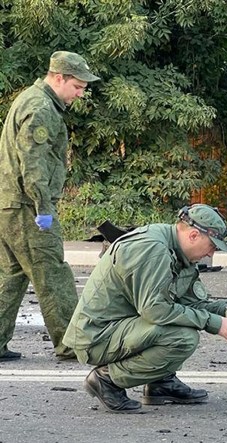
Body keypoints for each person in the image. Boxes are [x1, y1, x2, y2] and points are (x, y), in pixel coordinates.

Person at [63, 204, 227, 413]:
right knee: (182, 337)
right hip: (96, 337)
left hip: (122, 327)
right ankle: (106, 380)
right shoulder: (153, 249)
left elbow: (189, 302)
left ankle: (161, 383)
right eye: (212, 246)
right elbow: (156, 310)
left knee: (181, 324)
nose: (211, 253)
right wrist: (213, 323)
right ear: (194, 235)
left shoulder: (179, 252)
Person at [0, 51, 100, 361]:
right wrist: (43, 207)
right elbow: (34, 163)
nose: (80, 94)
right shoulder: (41, 108)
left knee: (11, 276)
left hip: (10, 205)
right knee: (52, 273)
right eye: (78, 86)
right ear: (59, 78)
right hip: (28, 207)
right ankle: (73, 344)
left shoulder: (31, 99)